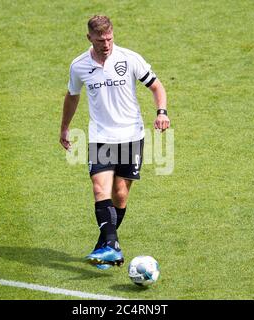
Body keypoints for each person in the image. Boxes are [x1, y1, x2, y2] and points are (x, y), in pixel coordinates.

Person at [59, 15, 170, 269]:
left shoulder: (129, 59)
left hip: (131, 136)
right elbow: (72, 96)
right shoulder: (79, 66)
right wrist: (65, 127)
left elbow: (156, 87)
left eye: (109, 38)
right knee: (100, 190)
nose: (106, 44)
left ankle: (104, 246)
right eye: (100, 40)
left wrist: (161, 112)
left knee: (120, 195)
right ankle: (112, 246)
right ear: (90, 38)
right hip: (101, 138)